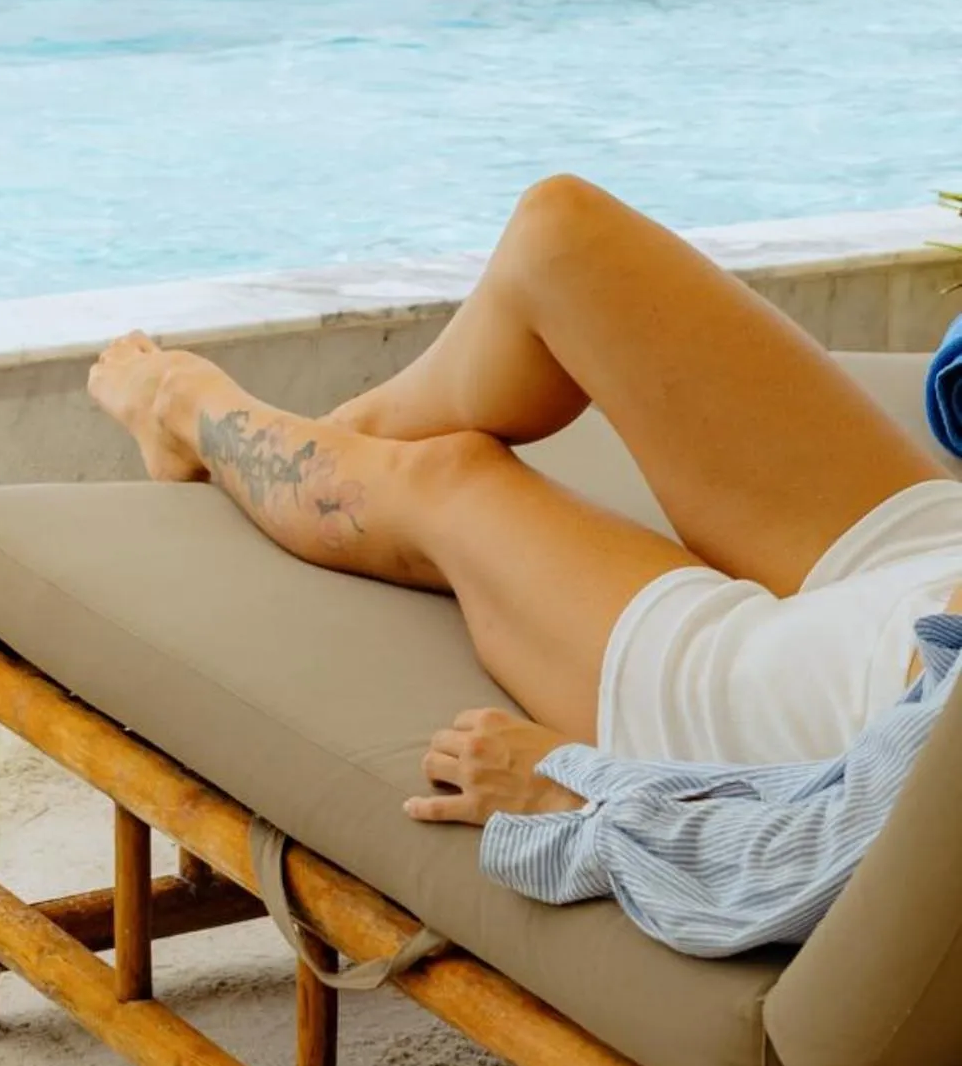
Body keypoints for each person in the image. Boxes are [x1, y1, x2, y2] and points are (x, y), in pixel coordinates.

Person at [87, 175, 962, 956]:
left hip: (801, 713)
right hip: (931, 582)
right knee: (563, 236)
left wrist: (574, 799)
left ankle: (186, 410)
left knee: (452, 478)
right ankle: (332, 448)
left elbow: (821, 862)